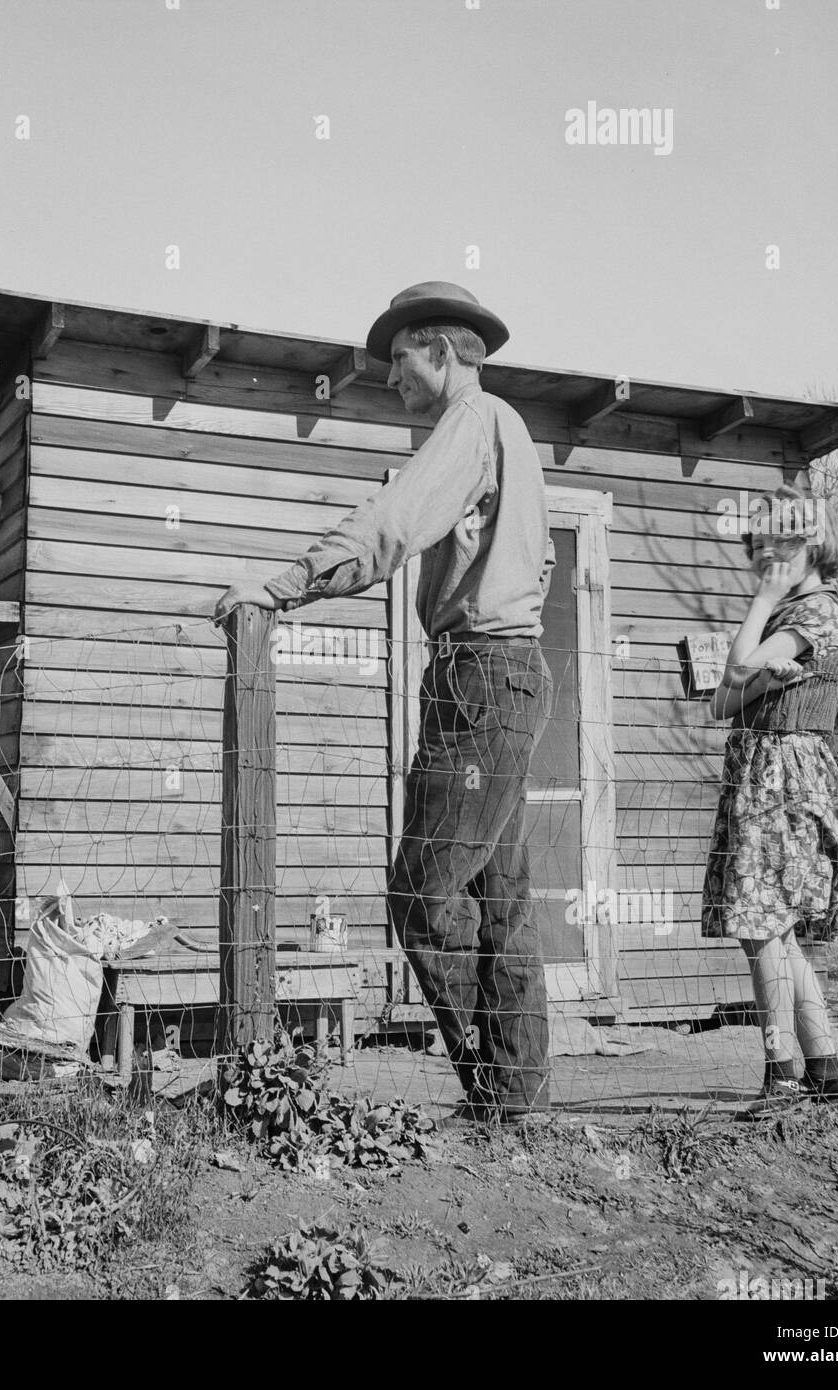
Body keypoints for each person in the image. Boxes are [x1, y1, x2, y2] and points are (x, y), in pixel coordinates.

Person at [214, 281, 554, 1122]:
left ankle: (487, 1077)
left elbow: (398, 520)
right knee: (500, 903)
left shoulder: (471, 423)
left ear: (442, 350)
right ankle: (511, 1105)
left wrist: (290, 581)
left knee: (421, 889)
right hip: (505, 675)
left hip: (480, 677)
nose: (392, 378)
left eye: (400, 360)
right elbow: (534, 564)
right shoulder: (511, 430)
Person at [703, 484, 838, 1112]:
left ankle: (782, 1070)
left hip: (785, 778)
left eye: (776, 540)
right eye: (757, 543)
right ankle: (824, 1068)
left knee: (763, 924)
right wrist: (754, 665)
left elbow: (735, 675)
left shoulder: (816, 610)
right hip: (758, 773)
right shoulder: (790, 615)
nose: (764, 553)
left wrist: (761, 604)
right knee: (774, 930)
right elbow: (721, 703)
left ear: (809, 542)